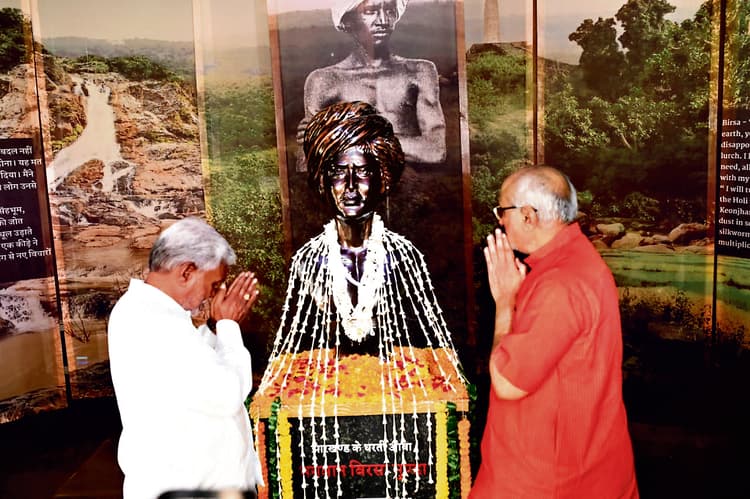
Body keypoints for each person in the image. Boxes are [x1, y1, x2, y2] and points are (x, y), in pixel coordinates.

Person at [470, 166, 639, 498]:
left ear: (528, 215)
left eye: (502, 211)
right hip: (588, 461)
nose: (500, 222)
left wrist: (504, 303)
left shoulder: (559, 283)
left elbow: (508, 382)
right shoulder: (575, 260)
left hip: (552, 479)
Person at [108, 217, 264, 499]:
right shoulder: (154, 321)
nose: (213, 295)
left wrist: (215, 325)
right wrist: (229, 326)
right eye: (214, 285)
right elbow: (227, 394)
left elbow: (202, 363)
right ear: (187, 272)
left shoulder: (154, 313)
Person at [296, 0, 446, 169]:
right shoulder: (324, 81)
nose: (383, 20)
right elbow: (307, 164)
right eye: (370, 11)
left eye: (390, 11)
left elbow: (435, 150)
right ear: (347, 21)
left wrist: (343, 135)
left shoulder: (419, 72)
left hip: (413, 183)